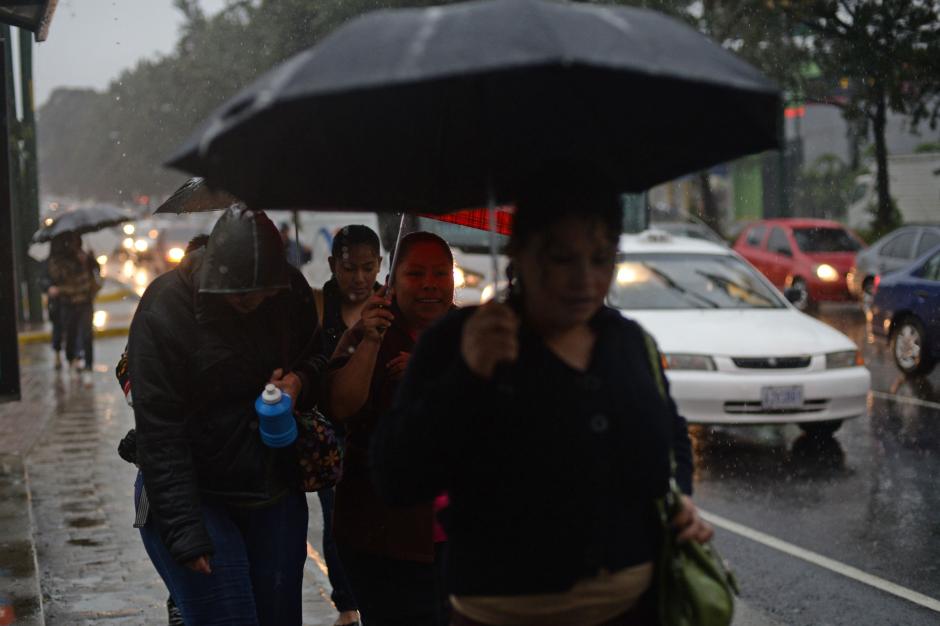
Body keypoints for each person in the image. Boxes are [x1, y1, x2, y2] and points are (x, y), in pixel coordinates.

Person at [371, 164, 713, 626]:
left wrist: (681, 500)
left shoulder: (629, 343)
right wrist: (466, 376)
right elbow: (397, 476)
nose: (586, 280)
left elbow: (670, 437)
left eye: (601, 258)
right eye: (562, 258)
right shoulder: (459, 341)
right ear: (522, 253)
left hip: (634, 608)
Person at [128, 208, 327, 626]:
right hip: (195, 489)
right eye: (241, 294)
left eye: (262, 292)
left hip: (271, 484)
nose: (252, 302)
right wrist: (185, 531)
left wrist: (299, 381)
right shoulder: (165, 308)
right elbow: (160, 432)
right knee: (228, 614)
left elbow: (319, 355)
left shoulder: (290, 293)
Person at [326, 232, 456, 626]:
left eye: (440, 273)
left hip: (462, 534)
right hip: (384, 535)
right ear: (393, 281)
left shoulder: (471, 333)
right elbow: (340, 406)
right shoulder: (370, 332)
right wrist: (368, 342)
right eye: (416, 273)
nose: (430, 284)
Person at [314, 224, 383, 626]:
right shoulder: (318, 307)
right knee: (338, 517)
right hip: (331, 433)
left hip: (376, 429)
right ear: (332, 266)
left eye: (367, 267)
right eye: (348, 268)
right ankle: (348, 604)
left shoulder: (390, 304)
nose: (359, 278)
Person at [48, 232, 101, 384]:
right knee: (70, 334)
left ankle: (88, 366)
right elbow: (58, 278)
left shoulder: (85, 257)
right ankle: (71, 360)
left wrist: (89, 260)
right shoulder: (59, 260)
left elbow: (96, 274)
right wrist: (74, 264)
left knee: (87, 335)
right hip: (68, 303)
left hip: (85, 302)